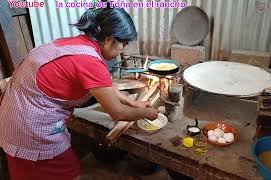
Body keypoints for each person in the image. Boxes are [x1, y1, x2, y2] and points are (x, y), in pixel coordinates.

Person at [0, 5, 158, 180]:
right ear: (109, 38)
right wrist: (147, 113)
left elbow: (103, 86)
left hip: (12, 115)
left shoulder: (76, 44)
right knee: (67, 172)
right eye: (124, 43)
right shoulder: (90, 61)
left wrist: (134, 103)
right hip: (30, 127)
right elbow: (118, 113)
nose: (123, 49)